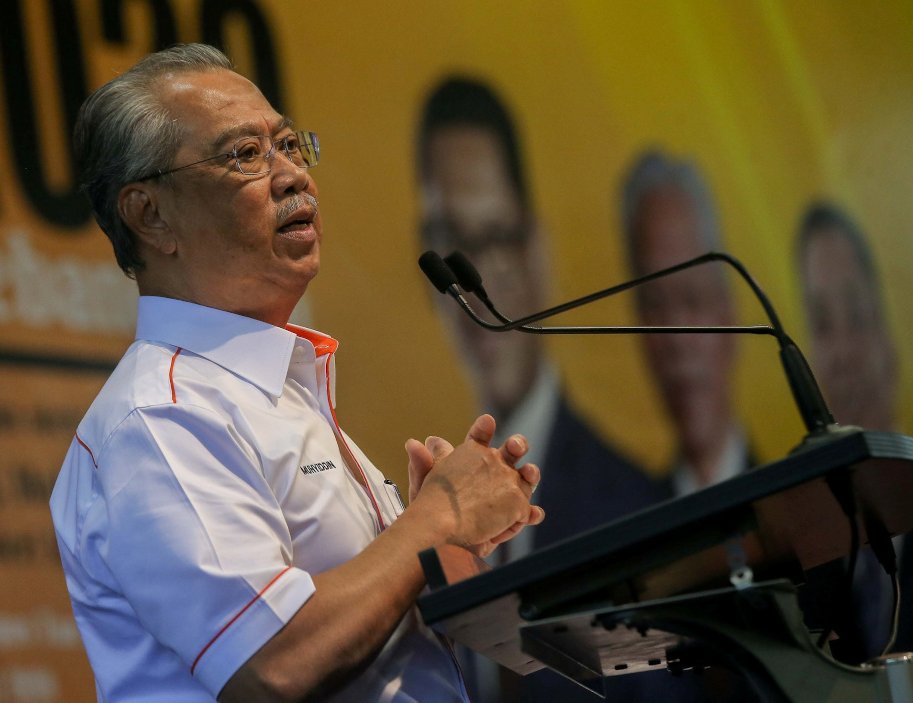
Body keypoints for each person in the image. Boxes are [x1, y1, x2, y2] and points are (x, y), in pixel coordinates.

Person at [49, 44, 544, 703]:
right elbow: (272, 666)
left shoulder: (277, 390)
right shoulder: (162, 416)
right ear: (150, 214)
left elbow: (379, 657)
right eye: (244, 156)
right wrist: (433, 519)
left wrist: (442, 548)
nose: (293, 177)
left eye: (289, 144)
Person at [417, 78, 664, 702]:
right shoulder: (410, 502)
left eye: (495, 238)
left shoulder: (633, 504)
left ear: (537, 250)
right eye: (452, 248)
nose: (472, 285)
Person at [796, 202, 913, 657]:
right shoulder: (798, 553)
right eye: (822, 325)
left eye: (856, 316)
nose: (843, 352)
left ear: (889, 335)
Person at [620, 151, 755, 497]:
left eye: (692, 299)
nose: (676, 337)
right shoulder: (634, 534)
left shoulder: (805, 526)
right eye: (654, 305)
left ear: (729, 314)